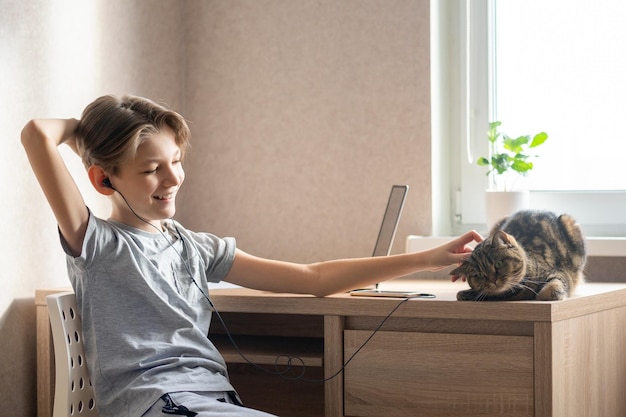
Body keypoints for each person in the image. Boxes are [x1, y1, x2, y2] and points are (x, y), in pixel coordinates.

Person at [22, 94, 482, 417]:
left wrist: (428, 259)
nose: (173, 178)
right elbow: (36, 135)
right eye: (151, 169)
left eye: (176, 160)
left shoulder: (192, 246)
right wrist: (89, 131)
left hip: (211, 400)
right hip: (156, 402)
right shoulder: (98, 242)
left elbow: (312, 277)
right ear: (104, 181)